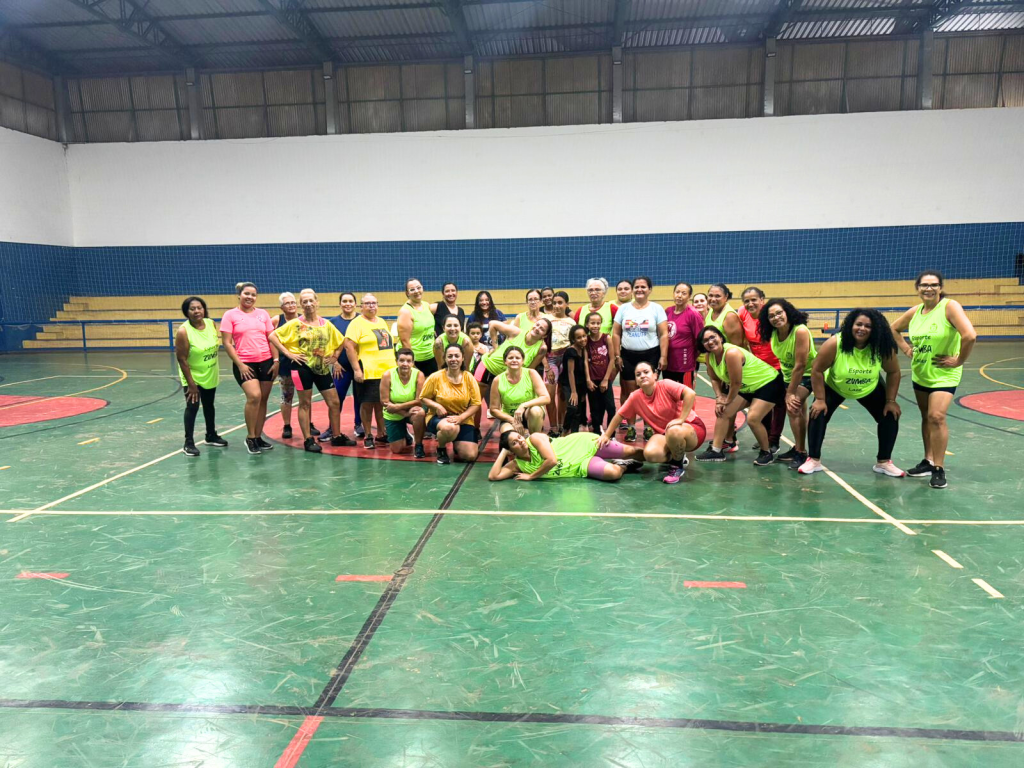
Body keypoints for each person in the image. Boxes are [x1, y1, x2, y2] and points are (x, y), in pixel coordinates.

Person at [890, 270, 977, 489]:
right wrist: (906, 349)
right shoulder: (915, 311)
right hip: (921, 372)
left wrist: (959, 360)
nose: (929, 288)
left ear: (940, 288)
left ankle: (938, 468)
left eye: (934, 285)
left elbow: (970, 336)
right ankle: (928, 461)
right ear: (917, 288)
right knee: (926, 417)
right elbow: (894, 329)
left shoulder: (949, 307)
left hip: (944, 373)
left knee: (936, 416)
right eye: (924, 285)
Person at [797, 309, 905, 478]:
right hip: (835, 385)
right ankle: (814, 460)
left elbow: (894, 372)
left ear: (876, 329)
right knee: (817, 412)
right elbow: (817, 370)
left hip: (869, 387)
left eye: (868, 326)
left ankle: (884, 462)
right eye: (858, 324)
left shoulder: (882, 346)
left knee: (890, 415)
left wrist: (891, 400)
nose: (862, 328)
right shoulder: (835, 343)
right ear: (850, 326)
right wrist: (820, 399)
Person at [269, 289, 354, 453]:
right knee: (305, 403)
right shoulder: (295, 324)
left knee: (334, 402)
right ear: (301, 305)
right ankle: (308, 440)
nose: (308, 304)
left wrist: (335, 357)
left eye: (311, 301)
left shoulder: (326, 324)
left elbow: (341, 341)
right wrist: (288, 353)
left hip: (321, 368)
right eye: (304, 302)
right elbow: (272, 336)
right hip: (301, 369)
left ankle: (336, 436)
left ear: (317, 302)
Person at [600, 361, 705, 484]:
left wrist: (681, 419)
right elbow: (619, 416)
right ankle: (677, 457)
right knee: (650, 454)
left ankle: (677, 466)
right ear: (636, 381)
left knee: (674, 430)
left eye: (646, 372)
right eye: (638, 374)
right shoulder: (635, 397)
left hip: (692, 429)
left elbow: (690, 393)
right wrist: (606, 435)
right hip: (666, 434)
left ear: (655, 375)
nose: (642, 376)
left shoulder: (665, 385)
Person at [695, 326, 786, 467]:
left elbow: (735, 383)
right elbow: (714, 379)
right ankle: (716, 451)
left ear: (720, 337)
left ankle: (766, 452)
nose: (710, 342)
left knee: (753, 419)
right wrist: (719, 397)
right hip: (748, 386)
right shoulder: (709, 356)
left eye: (713, 337)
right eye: (706, 340)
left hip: (768, 383)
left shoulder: (731, 353)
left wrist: (726, 401)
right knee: (723, 412)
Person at [221, 282, 278, 455]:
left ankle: (258, 437)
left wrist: (276, 360)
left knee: (263, 400)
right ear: (239, 295)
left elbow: (271, 337)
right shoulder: (230, 315)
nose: (250, 297)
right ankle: (250, 437)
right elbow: (227, 343)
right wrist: (240, 364)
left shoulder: (263, 314)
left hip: (266, 362)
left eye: (253, 295)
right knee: (254, 396)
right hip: (245, 363)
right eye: (246, 293)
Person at [760, 298, 817, 469]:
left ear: (787, 312)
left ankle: (801, 452)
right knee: (800, 410)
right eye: (771, 316)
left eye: (779, 313)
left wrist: (790, 392)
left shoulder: (800, 331)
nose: (776, 317)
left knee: (792, 408)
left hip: (808, 374)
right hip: (788, 376)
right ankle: (798, 447)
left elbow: (800, 365)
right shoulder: (774, 333)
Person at [612, 276, 669, 442]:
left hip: (651, 355)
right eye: (636, 287)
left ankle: (648, 426)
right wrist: (617, 355)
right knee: (630, 393)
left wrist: (663, 356)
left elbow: (663, 334)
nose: (639, 290)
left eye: (643, 287)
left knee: (649, 392)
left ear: (650, 289)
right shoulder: (623, 309)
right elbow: (616, 333)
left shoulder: (657, 309)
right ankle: (630, 427)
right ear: (632, 290)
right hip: (628, 355)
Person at [175, 296, 227, 457]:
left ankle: (211, 435)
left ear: (204, 309)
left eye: (199, 308)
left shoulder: (211, 324)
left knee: (209, 405)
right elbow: (182, 359)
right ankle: (188, 443)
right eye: (192, 309)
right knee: (192, 407)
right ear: (186, 312)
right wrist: (191, 384)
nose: (196, 311)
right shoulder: (183, 332)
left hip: (210, 373)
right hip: (192, 376)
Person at [344, 294, 397, 450]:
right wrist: (357, 370)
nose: (371, 306)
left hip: (386, 372)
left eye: (374, 303)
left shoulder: (381, 321)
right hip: (368, 371)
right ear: (361, 307)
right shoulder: (356, 324)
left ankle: (381, 433)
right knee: (367, 404)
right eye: (367, 303)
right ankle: (368, 435)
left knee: (381, 404)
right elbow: (349, 347)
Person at [489, 430, 643, 483]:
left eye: (519, 437)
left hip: (584, 444)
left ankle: (659, 456)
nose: (521, 441)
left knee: (633, 451)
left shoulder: (535, 438)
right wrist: (503, 452)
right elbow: (493, 476)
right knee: (613, 473)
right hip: (581, 466)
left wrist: (531, 476)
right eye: (514, 443)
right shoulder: (518, 465)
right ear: (511, 451)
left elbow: (551, 461)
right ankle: (623, 465)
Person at [739, 287, 785, 454]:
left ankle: (774, 440)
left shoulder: (770, 315)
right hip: (759, 369)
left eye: (754, 300)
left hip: (778, 366)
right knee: (761, 401)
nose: (750, 303)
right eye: (747, 301)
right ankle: (765, 435)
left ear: (762, 300)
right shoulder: (742, 313)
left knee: (779, 404)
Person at [420, 344, 482, 465]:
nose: (453, 359)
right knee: (450, 427)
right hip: (439, 418)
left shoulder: (469, 378)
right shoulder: (435, 377)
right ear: (445, 358)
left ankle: (456, 442)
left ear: (462, 358)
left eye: (457, 356)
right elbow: (423, 398)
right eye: (450, 356)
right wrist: (437, 406)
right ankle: (441, 448)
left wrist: (461, 418)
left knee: (470, 456)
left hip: (463, 419)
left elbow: (476, 404)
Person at [704, 283, 744, 452]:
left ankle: (729, 439)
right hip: (719, 365)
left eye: (717, 296)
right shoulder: (711, 312)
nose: (713, 299)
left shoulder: (729, 317)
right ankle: (728, 437)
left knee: (728, 404)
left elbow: (737, 347)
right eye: (711, 295)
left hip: (730, 367)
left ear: (726, 297)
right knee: (724, 403)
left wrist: (728, 373)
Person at [273, 292, 318, 440]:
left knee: (306, 397)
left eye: (293, 302)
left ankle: (309, 424)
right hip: (286, 365)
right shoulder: (277, 320)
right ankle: (287, 425)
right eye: (287, 303)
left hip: (304, 365)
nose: (291, 305)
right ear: (281, 307)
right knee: (287, 395)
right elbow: (270, 339)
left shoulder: (304, 319)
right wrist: (277, 358)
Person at [321, 292, 363, 442]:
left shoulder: (362, 320)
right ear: (340, 304)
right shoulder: (332, 322)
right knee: (336, 398)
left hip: (359, 367)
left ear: (355, 304)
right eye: (344, 301)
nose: (348, 304)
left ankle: (359, 425)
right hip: (341, 368)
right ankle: (332, 428)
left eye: (350, 301)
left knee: (360, 397)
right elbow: (326, 345)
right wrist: (335, 362)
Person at [489, 346, 549, 435]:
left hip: (528, 414)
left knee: (536, 410)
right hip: (509, 417)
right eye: (510, 358)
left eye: (517, 358)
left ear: (523, 361)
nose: (514, 360)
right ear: (505, 361)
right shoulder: (498, 380)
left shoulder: (531, 373)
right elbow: (494, 409)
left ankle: (535, 437)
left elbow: (546, 398)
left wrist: (523, 405)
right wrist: (512, 420)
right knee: (510, 437)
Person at [381, 348, 427, 458]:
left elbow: (419, 400)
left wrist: (399, 407)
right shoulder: (387, 375)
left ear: (413, 363)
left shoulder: (419, 375)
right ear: (396, 361)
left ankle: (419, 445)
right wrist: (403, 413)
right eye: (401, 360)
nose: (405, 364)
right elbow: (384, 401)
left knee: (420, 413)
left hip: (409, 410)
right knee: (397, 450)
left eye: (408, 361)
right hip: (393, 413)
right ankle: (405, 434)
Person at [545, 291, 575, 437]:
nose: (557, 306)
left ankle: (562, 425)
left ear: (567, 304)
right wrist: (546, 366)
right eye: (554, 303)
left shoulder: (572, 322)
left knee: (562, 394)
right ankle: (553, 427)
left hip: (565, 359)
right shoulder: (546, 320)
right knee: (549, 395)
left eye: (560, 302)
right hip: (550, 360)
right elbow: (540, 344)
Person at [663, 282, 704, 389]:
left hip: (685, 366)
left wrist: (691, 357)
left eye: (684, 293)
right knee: (669, 393)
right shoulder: (667, 311)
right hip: (668, 364)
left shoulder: (693, 314)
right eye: (677, 292)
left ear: (689, 297)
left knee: (686, 394)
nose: (679, 296)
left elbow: (701, 340)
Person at [397, 278, 438, 376]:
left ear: (422, 288)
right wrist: (411, 362)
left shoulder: (426, 305)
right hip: (417, 359)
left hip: (431, 355)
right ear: (407, 293)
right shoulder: (405, 312)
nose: (416, 291)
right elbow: (405, 341)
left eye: (418, 288)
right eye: (412, 289)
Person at [584, 311, 616, 433]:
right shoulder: (586, 340)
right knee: (595, 409)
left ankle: (611, 433)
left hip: (605, 379)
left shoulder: (606, 338)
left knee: (611, 407)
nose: (595, 326)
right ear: (587, 325)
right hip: (592, 380)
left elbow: (612, 359)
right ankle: (597, 432)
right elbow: (585, 361)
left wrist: (606, 379)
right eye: (592, 323)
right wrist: (588, 380)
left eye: (598, 323)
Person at [559, 325, 589, 434]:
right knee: (572, 407)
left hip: (581, 383)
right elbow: (570, 372)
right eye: (579, 337)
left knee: (578, 410)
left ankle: (574, 433)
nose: (582, 339)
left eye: (584, 336)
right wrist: (573, 392)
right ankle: (565, 430)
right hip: (569, 384)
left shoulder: (583, 349)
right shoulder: (571, 352)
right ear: (573, 339)